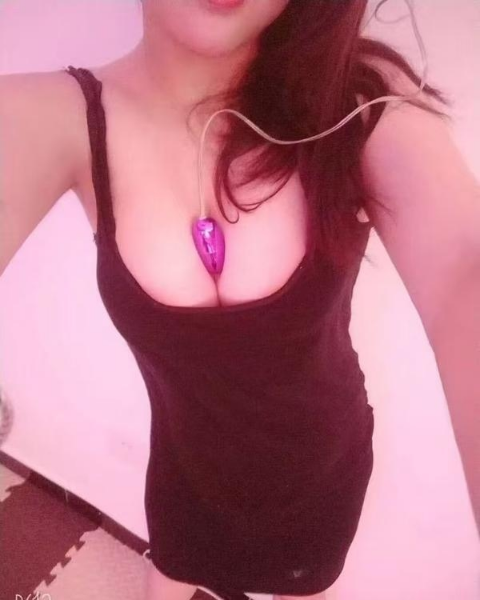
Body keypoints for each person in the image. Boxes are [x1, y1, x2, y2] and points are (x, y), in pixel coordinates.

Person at [2, 1, 479, 600]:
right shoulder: (50, 115)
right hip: (187, 475)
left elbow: (465, 271)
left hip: (319, 478)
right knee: (169, 576)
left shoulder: (357, 102)